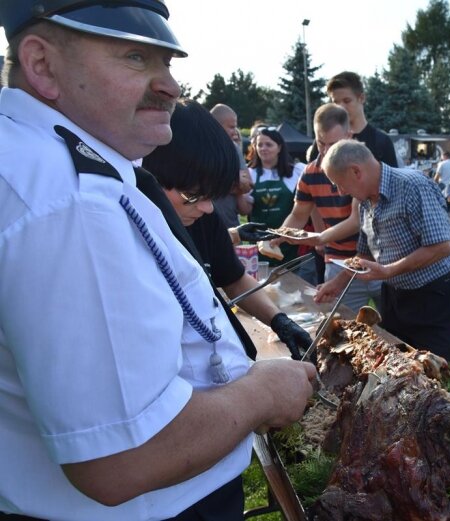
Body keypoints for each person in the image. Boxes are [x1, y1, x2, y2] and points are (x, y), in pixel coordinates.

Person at [0, 3, 315, 520]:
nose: (170, 85)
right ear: (42, 65)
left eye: (168, 63)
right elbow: (120, 459)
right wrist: (260, 393)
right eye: (135, 58)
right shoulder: (70, 203)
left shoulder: (50, 164)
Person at [143, 99, 312, 360]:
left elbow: (233, 279)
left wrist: (277, 319)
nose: (208, 208)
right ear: (150, 178)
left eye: (212, 196)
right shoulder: (134, 236)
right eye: (193, 196)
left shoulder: (201, 218)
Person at [314, 140, 450, 366]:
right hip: (396, 294)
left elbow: (442, 246)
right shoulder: (365, 200)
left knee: (433, 368)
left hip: (436, 295)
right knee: (398, 361)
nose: (341, 192)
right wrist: (338, 282)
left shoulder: (412, 186)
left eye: (339, 184)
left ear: (356, 171)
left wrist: (388, 270)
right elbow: (364, 253)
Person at [272, 103, 382, 313]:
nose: (326, 151)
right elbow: (298, 213)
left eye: (333, 144)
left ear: (349, 135)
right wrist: (281, 234)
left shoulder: (362, 166)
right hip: (338, 262)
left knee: (394, 329)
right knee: (342, 328)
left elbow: (355, 220)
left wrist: (320, 238)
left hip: (376, 259)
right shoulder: (310, 172)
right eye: (320, 143)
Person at [248, 126, 306, 264]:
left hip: (290, 242)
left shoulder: (296, 172)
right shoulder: (250, 174)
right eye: (259, 145)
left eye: (268, 144)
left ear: (279, 147)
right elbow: (244, 210)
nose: (263, 148)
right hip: (259, 242)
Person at [326, 71, 398, 168]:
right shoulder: (325, 141)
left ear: (362, 98)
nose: (341, 107)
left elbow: (392, 181)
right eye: (336, 102)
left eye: (347, 101)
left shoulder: (382, 142)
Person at [209, 103, 253, 227]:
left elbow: (248, 184)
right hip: (202, 224)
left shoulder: (233, 148)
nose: (235, 132)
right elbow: (199, 185)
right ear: (216, 125)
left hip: (230, 223)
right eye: (232, 127)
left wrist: (219, 182)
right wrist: (234, 180)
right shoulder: (200, 148)